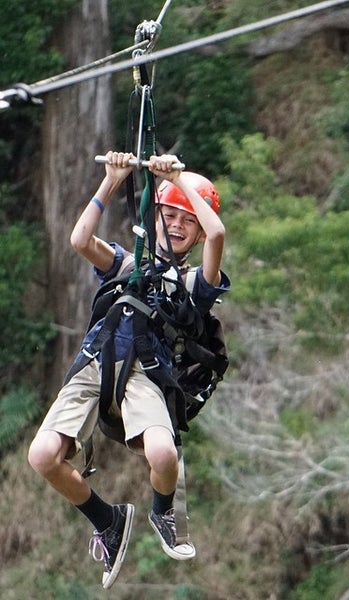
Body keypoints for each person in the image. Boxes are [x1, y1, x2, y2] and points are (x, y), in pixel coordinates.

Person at [28, 151, 230, 589]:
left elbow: (217, 233)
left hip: (143, 373)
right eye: (169, 214)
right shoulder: (125, 262)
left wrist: (179, 181)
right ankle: (108, 521)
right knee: (42, 456)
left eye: (186, 220)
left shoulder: (196, 284)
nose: (176, 225)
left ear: (195, 233)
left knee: (164, 455)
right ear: (154, 218)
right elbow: (80, 240)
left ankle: (163, 513)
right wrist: (113, 180)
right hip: (94, 364)